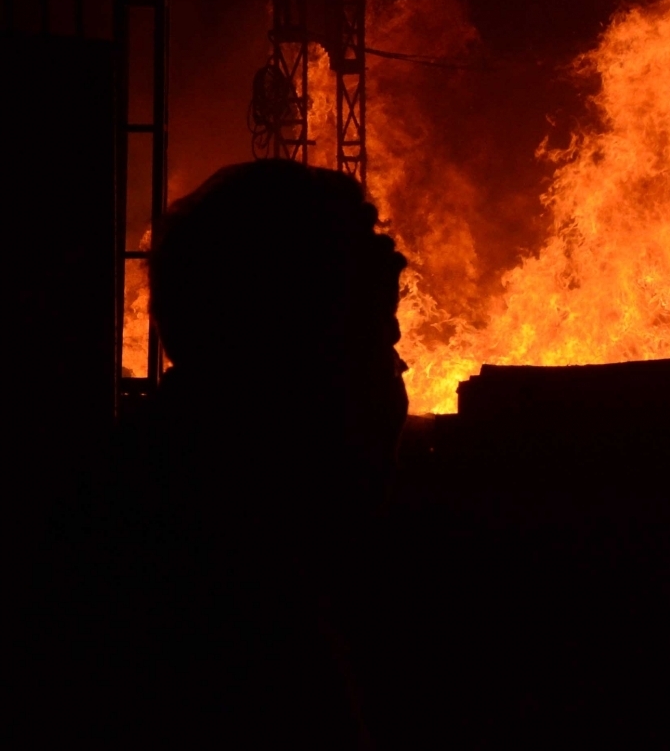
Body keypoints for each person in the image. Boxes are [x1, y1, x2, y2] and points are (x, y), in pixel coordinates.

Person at [41, 160, 408, 745]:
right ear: (291, 355)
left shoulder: (146, 503)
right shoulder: (241, 647)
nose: (398, 372)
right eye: (377, 342)